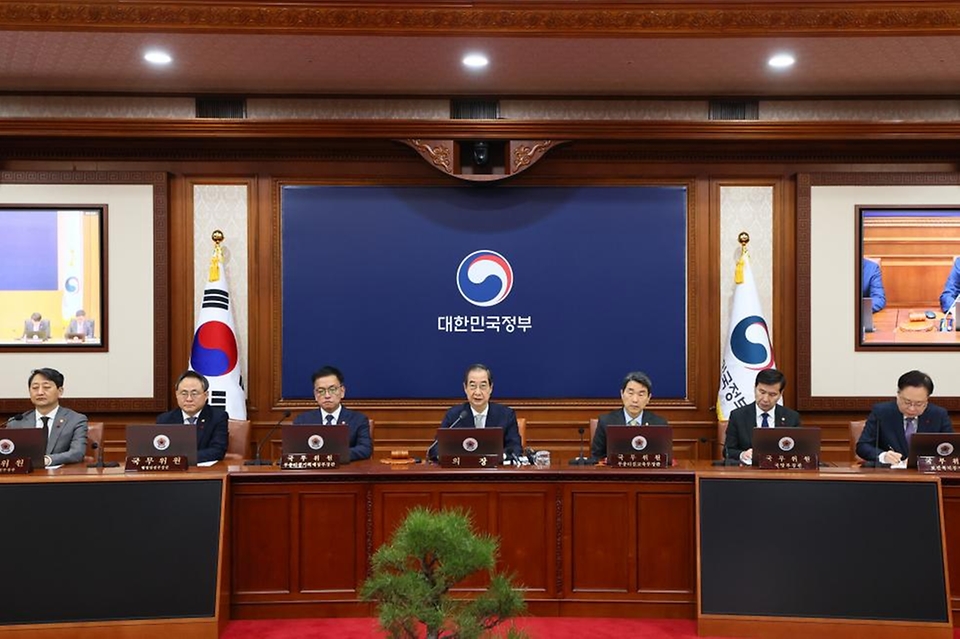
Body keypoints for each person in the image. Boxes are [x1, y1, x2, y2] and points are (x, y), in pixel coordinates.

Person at [856, 370, 952, 465]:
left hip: (925, 471)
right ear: (898, 395)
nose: (912, 408)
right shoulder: (881, 412)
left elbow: (950, 447)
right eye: (907, 402)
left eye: (918, 404)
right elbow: (863, 446)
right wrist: (883, 456)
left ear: (927, 399)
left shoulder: (938, 415)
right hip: (891, 471)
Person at [429, 364, 522, 460]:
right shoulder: (454, 416)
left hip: (495, 468)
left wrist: (498, 457)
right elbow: (436, 448)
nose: (477, 392)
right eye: (473, 386)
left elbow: (515, 448)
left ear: (491, 388)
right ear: (465, 388)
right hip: (464, 468)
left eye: (483, 386)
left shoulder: (506, 415)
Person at [8, 368, 88, 466]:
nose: (40, 392)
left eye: (46, 387)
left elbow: (77, 453)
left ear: (60, 391)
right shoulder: (16, 423)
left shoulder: (76, 420)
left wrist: (48, 460)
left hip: (60, 474)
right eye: (35, 388)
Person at [293, 365, 372, 461]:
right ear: (315, 395)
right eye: (321, 391)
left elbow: (365, 449)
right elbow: (294, 450)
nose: (327, 395)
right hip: (314, 469)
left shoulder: (358, 419)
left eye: (332, 389)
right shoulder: (302, 421)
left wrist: (333, 456)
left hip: (345, 469)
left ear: (342, 391)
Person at [724, 369, 801, 465]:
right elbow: (728, 451)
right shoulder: (738, 416)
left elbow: (799, 451)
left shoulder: (791, 417)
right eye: (762, 392)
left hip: (779, 470)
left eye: (772, 394)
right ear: (755, 388)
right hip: (748, 471)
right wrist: (742, 454)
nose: (765, 399)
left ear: (781, 394)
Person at [590, 371, 667, 459]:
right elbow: (596, 457)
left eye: (641, 394)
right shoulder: (606, 422)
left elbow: (664, 458)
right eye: (630, 393)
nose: (635, 400)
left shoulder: (659, 424)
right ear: (622, 394)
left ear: (648, 398)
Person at [157, 370, 229, 464]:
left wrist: (183, 458)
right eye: (184, 393)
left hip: (206, 471)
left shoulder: (218, 417)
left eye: (194, 394)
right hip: (175, 470)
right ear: (176, 395)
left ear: (206, 395)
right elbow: (160, 451)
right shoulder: (164, 420)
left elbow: (217, 451)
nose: (189, 399)